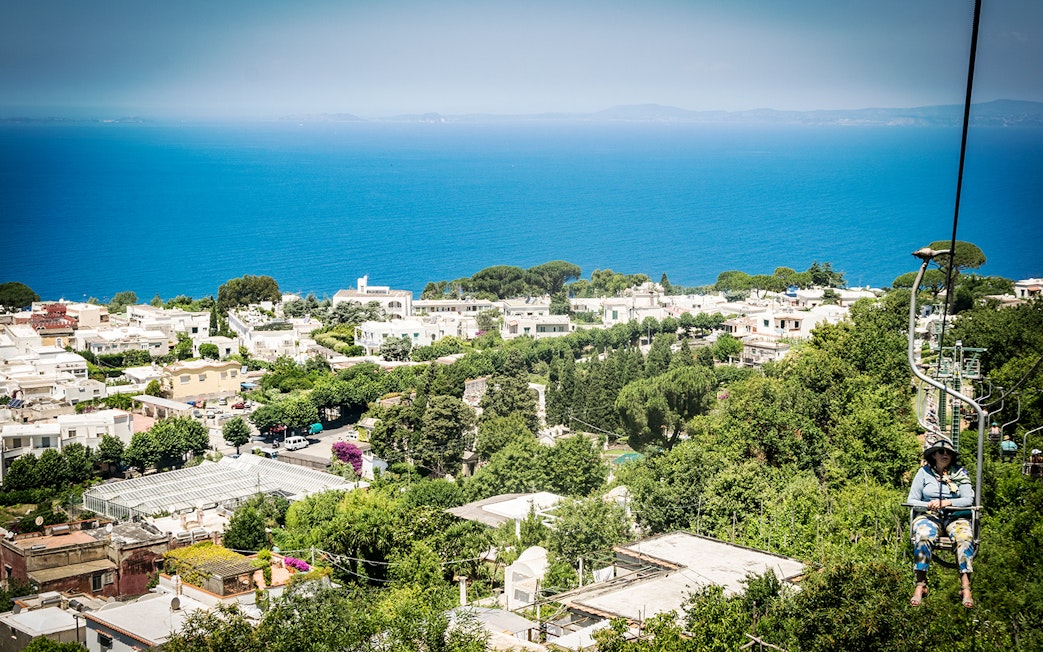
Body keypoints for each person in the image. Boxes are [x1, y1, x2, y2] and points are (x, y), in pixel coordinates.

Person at [906, 433, 975, 608]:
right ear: (934, 455)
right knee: (923, 534)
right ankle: (920, 583)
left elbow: (968, 499)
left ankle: (965, 586)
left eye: (949, 453)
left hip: (955, 517)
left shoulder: (960, 474)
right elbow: (912, 500)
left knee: (965, 537)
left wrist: (946, 502)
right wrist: (928, 506)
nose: (945, 455)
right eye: (941, 451)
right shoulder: (923, 473)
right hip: (930, 516)